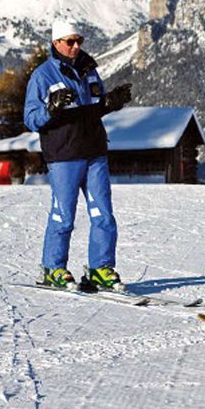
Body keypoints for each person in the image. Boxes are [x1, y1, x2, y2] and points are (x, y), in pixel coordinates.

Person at [24, 19, 132, 291]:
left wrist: (110, 104)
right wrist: (51, 109)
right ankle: (53, 268)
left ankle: (100, 268)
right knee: (64, 215)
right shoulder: (43, 75)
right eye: (69, 42)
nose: (75, 46)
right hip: (64, 155)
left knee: (103, 214)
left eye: (79, 41)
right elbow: (30, 118)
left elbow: (94, 108)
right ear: (56, 43)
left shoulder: (89, 71)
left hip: (94, 151)